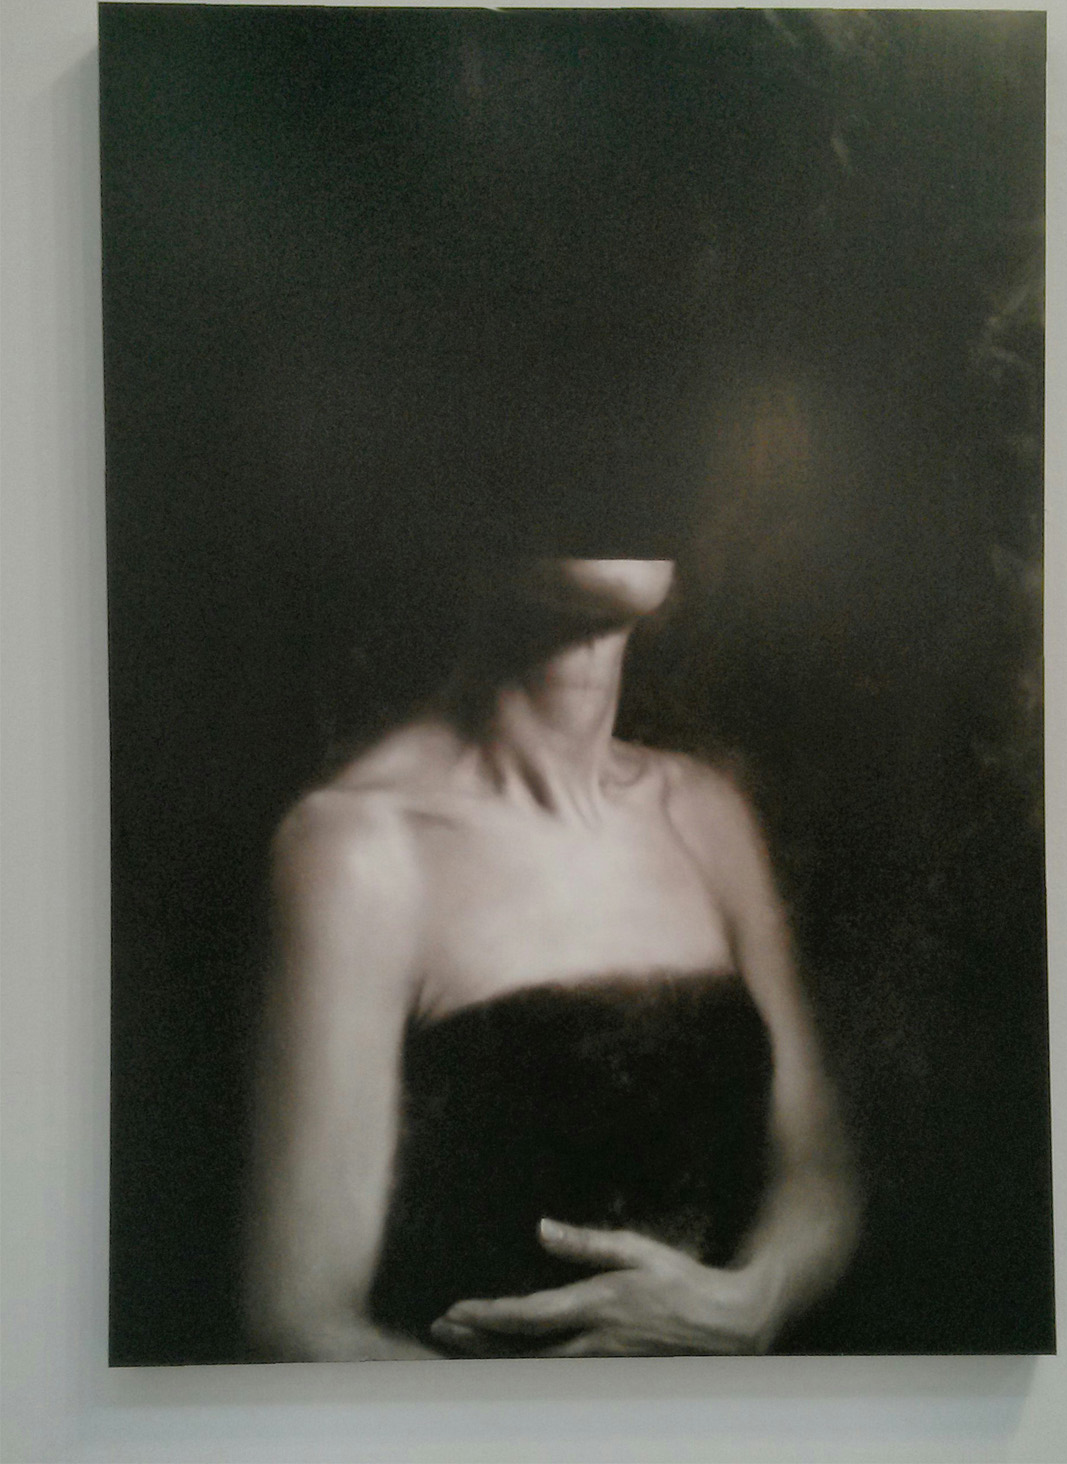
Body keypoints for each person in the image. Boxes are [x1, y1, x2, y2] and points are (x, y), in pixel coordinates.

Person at [245, 557, 858, 1360]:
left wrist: (754, 1303)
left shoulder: (706, 810)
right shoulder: (360, 845)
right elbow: (301, 1321)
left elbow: (818, 1172)